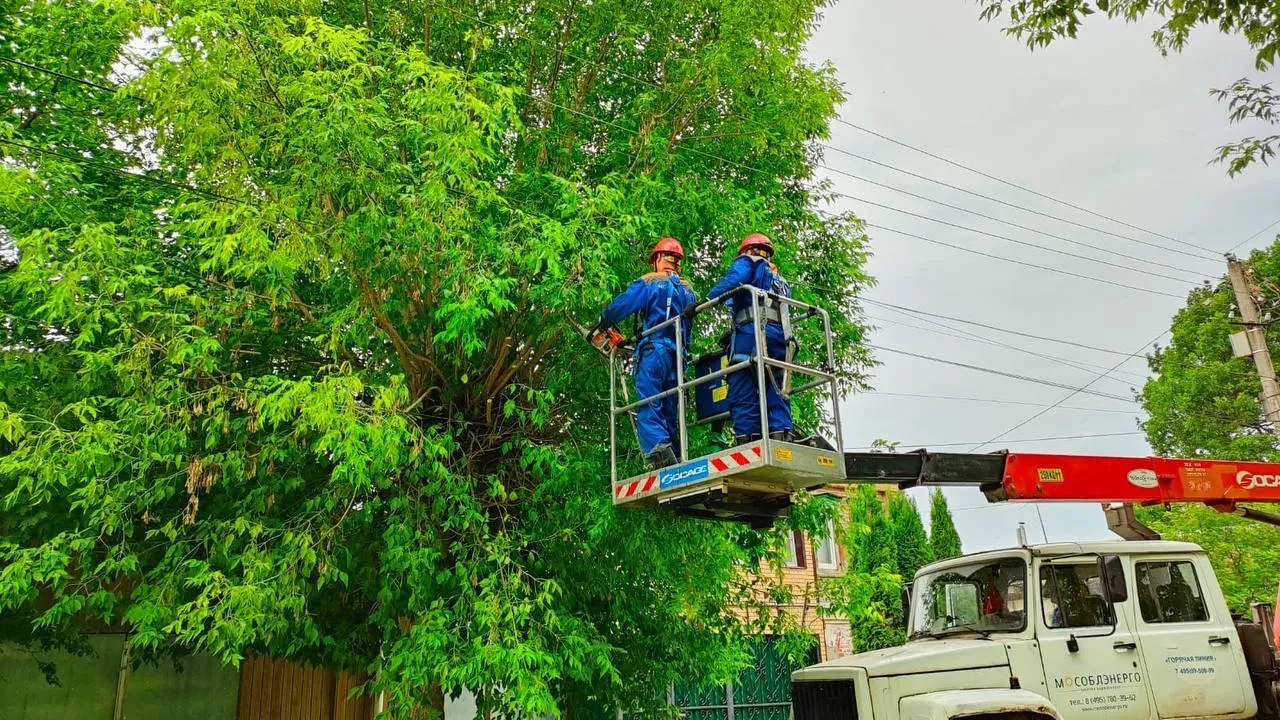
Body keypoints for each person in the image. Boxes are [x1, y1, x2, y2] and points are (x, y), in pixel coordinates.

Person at [596, 238, 697, 469]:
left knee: (650, 400)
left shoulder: (650, 282)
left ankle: (659, 451)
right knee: (670, 405)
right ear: (678, 263)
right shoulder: (688, 290)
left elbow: (621, 306)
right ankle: (675, 455)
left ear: (658, 259)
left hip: (654, 351)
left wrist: (604, 321)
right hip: (678, 357)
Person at [701, 232, 794, 445]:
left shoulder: (748, 261)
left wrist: (706, 301)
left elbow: (735, 280)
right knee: (775, 386)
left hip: (752, 334)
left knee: (742, 382)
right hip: (780, 338)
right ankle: (780, 433)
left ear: (747, 250)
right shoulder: (780, 281)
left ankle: (748, 439)